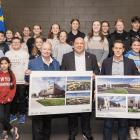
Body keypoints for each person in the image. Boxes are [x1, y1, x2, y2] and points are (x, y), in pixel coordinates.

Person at [61, 37, 100, 140]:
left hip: (87, 89)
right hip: (71, 89)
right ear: (73, 45)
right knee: (72, 113)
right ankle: (72, 132)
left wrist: (95, 74)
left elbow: (96, 70)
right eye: (77, 43)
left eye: (81, 43)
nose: (79, 45)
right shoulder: (66, 57)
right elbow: (62, 72)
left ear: (84, 45)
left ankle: (86, 132)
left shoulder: (92, 57)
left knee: (86, 113)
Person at [101, 40, 139, 140]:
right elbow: (101, 78)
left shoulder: (130, 62)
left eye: (120, 48)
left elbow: (136, 78)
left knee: (123, 124)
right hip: (109, 97)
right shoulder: (106, 62)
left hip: (125, 98)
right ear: (113, 49)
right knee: (108, 124)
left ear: (123, 49)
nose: (118, 50)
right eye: (116, 48)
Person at [26, 42, 60, 140]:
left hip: (50, 98)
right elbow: (28, 80)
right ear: (40, 50)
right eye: (44, 49)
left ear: (51, 51)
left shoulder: (56, 63)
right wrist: (27, 74)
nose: (46, 51)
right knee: (37, 124)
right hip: (37, 99)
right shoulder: (32, 62)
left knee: (47, 123)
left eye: (49, 49)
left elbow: (59, 79)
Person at [5, 37, 29, 124]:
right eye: (14, 42)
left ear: (21, 44)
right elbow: (6, 68)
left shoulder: (25, 54)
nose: (16, 44)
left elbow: (26, 67)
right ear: (11, 44)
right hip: (11, 81)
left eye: (18, 42)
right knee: (12, 99)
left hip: (21, 81)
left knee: (22, 99)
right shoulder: (7, 54)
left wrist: (26, 79)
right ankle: (13, 114)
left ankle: (22, 115)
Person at [0, 57, 19, 140]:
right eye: (1, 63)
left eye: (5, 63)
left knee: (6, 116)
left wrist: (8, 98)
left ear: (9, 64)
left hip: (8, 99)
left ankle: (4, 132)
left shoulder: (12, 75)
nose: (3, 65)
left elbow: (13, 88)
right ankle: (12, 129)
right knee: (1, 116)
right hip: (0, 99)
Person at [125, 38, 140, 139]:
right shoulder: (126, 56)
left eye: (138, 45)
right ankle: (131, 128)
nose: (136, 47)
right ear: (131, 46)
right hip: (132, 84)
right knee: (133, 105)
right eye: (134, 45)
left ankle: (138, 128)